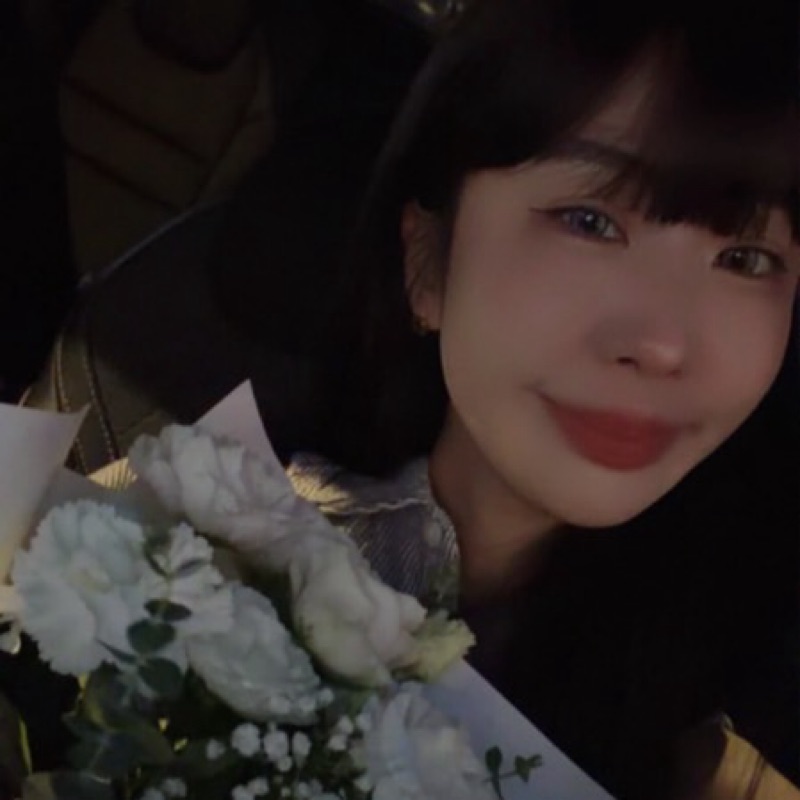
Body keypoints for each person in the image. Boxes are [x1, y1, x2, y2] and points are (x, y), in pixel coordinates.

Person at [284, 0, 800, 798]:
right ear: (426, 263)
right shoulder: (171, 551)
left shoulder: (734, 745)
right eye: (589, 221)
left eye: (745, 258)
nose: (663, 344)